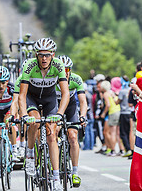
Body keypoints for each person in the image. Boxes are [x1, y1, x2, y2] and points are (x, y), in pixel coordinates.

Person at [18, 38, 69, 191]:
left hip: (49, 100)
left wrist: (60, 114)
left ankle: (55, 177)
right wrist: (23, 115)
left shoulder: (59, 65)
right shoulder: (29, 66)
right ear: (36, 55)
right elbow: (22, 95)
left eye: (47, 55)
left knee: (52, 134)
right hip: (32, 98)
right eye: (41, 55)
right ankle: (30, 154)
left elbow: (65, 93)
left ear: (53, 54)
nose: (44, 58)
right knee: (35, 121)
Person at [56, 55, 87, 187]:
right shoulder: (52, 79)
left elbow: (83, 101)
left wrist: (82, 116)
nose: (65, 73)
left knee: (73, 137)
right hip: (55, 105)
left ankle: (75, 172)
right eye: (62, 70)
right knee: (54, 131)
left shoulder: (76, 79)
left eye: (67, 70)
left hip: (70, 107)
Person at [116, 75, 132, 157]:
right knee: (130, 132)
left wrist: (114, 97)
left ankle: (128, 148)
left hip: (123, 113)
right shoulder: (130, 89)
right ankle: (131, 148)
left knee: (123, 133)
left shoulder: (122, 91)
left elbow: (117, 102)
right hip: (130, 113)